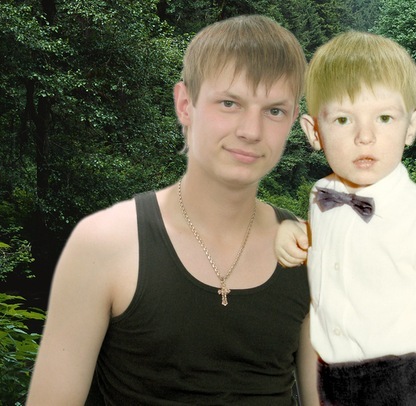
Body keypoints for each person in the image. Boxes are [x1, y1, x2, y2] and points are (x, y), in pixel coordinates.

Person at [27, 15, 319, 405]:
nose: (251, 131)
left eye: (274, 111)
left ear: (293, 120)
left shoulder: (311, 251)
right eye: (229, 103)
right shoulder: (105, 244)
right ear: (185, 104)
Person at [275, 31, 416, 405]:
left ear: (410, 127)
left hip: (401, 384)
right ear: (314, 132)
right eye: (343, 119)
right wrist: (294, 232)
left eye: (384, 117)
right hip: (328, 379)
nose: (365, 136)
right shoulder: (322, 196)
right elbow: (328, 249)